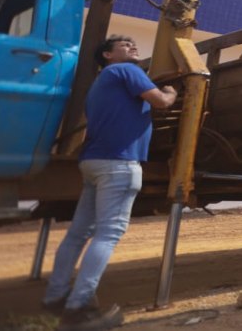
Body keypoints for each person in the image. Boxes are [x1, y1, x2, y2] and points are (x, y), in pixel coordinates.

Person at [43, 35, 176, 331]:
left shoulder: (101, 83)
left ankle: (55, 298)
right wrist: (171, 91)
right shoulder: (127, 71)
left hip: (93, 162)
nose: (132, 45)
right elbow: (161, 102)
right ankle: (78, 309)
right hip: (119, 163)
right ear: (107, 54)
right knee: (108, 234)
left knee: (79, 233)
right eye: (124, 44)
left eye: (132, 42)